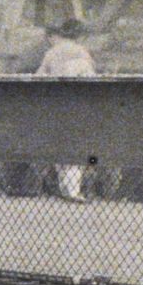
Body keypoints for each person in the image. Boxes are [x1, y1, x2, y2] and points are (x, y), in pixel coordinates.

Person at [35, 18, 95, 202]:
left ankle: (65, 189)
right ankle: (72, 191)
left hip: (55, 105)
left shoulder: (52, 53)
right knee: (75, 148)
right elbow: (91, 78)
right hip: (77, 104)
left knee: (59, 147)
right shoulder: (82, 52)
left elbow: (39, 77)